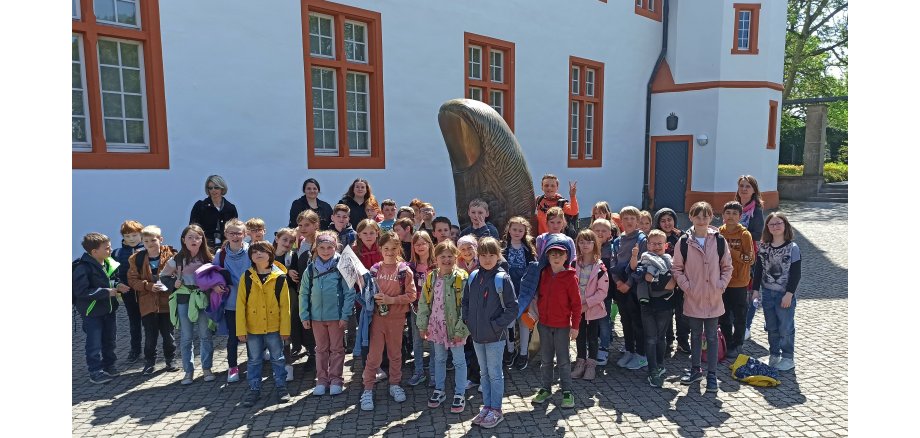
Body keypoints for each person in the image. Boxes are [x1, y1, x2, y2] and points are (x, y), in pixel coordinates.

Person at [672, 202, 733, 394]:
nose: (701, 220)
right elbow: (677, 268)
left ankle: (712, 375)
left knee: (712, 336)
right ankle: (695, 369)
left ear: (710, 218)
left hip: (714, 297)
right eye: (697, 216)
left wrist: (721, 285)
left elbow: (727, 266)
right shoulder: (684, 242)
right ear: (691, 217)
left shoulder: (719, 240)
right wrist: (688, 287)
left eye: (705, 216)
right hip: (694, 297)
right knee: (696, 335)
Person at [463, 237, 518, 428]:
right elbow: (466, 302)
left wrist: (496, 325)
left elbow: (512, 308)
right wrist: (468, 321)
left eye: (491, 255)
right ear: (478, 256)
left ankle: (496, 410)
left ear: (498, 256)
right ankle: (486, 406)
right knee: (484, 373)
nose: (487, 259)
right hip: (477, 335)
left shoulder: (502, 278)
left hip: (495, 336)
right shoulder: (473, 276)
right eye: (483, 255)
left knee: (494, 373)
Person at [360, 232, 417, 411]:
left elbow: (412, 295)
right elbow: (367, 293)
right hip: (378, 319)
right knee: (374, 355)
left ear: (399, 248)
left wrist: (391, 300)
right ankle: (367, 388)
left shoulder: (404, 270)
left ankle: (395, 384)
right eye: (386, 248)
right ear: (380, 249)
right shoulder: (375, 269)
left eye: (394, 248)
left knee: (395, 354)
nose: (390, 252)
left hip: (397, 319)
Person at [418, 240, 470, 414]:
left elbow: (466, 306)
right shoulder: (431, 277)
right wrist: (422, 325)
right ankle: (439, 389)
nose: (447, 260)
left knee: (459, 361)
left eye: (450, 256)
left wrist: (460, 329)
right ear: (436, 258)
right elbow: (424, 302)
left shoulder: (461, 277)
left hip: (455, 327)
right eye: (443, 257)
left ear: (456, 257)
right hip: (436, 326)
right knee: (439, 359)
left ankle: (460, 392)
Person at [238, 241, 292, 407]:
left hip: (274, 327)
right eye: (254, 252)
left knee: (278, 358)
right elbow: (241, 305)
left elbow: (285, 306)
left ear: (270, 254)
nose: (258, 254)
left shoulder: (280, 278)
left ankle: (281, 386)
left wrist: (285, 329)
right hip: (253, 328)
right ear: (250, 257)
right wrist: (241, 329)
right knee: (254, 360)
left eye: (262, 251)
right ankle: (254, 388)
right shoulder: (246, 277)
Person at [300, 231, 355, 396]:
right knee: (321, 349)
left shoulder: (343, 265)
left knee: (337, 349)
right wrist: (304, 315)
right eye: (322, 247)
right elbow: (304, 293)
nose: (325, 251)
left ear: (335, 247)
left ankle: (336, 379)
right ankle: (322, 380)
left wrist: (345, 315)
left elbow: (349, 292)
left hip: (336, 317)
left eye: (329, 247)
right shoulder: (310, 268)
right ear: (316, 248)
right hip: (316, 317)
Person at [160, 224, 215, 385]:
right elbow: (163, 276)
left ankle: (207, 368)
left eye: (197, 237)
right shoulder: (176, 259)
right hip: (184, 299)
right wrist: (173, 284)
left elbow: (216, 276)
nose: (194, 240)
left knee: (205, 335)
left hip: (202, 299)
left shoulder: (209, 258)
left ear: (202, 240)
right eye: (190, 237)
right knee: (186, 337)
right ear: (183, 240)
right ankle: (188, 371)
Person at [73, 232, 131, 384]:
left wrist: (118, 284)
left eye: (110, 247)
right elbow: (82, 292)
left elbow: (112, 279)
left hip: (109, 309)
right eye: (106, 248)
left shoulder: (108, 262)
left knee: (109, 340)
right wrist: (106, 292)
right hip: (92, 312)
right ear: (94, 252)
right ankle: (95, 371)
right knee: (94, 343)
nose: (110, 250)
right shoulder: (82, 268)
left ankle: (109, 365)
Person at [530, 240, 581, 409]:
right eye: (553, 254)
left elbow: (576, 304)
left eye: (560, 254)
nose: (556, 258)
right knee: (545, 360)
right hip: (544, 324)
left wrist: (575, 326)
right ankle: (546, 389)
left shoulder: (570, 277)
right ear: (548, 257)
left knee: (563, 360)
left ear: (566, 257)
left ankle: (567, 391)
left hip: (562, 326)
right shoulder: (543, 273)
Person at [127, 225, 179, 375]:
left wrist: (170, 283)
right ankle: (149, 362)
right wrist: (148, 286)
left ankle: (171, 360)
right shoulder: (136, 259)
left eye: (153, 240)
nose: (150, 244)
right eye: (146, 241)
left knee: (168, 335)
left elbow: (179, 274)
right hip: (148, 304)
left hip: (167, 302)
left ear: (160, 239)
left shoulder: (171, 255)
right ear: (142, 242)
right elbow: (132, 280)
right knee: (150, 336)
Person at [753, 212, 801, 371]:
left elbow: (796, 274)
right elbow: (758, 270)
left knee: (785, 328)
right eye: (771, 224)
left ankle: (788, 357)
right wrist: (755, 290)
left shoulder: (792, 248)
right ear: (767, 227)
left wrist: (789, 294)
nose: (775, 226)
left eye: (779, 223)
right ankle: (774, 354)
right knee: (771, 326)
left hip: (784, 294)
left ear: (785, 225)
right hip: (767, 293)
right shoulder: (763, 247)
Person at [630, 230, 677, 388]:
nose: (656, 247)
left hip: (665, 304)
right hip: (648, 305)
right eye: (653, 244)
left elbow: (671, 282)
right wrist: (634, 255)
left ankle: (660, 364)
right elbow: (635, 269)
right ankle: (652, 369)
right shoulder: (645, 258)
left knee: (661, 337)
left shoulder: (670, 261)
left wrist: (659, 281)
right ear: (648, 245)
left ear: (665, 245)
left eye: (659, 244)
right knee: (651, 338)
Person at [610, 206, 648, 370]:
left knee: (637, 321)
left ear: (638, 221)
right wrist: (618, 282)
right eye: (626, 218)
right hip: (620, 285)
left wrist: (629, 283)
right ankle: (629, 350)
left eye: (633, 218)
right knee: (625, 320)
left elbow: (642, 264)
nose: (629, 221)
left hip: (635, 286)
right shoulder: (617, 240)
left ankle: (641, 354)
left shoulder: (642, 240)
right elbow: (613, 262)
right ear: (621, 221)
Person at [213, 219, 250, 383]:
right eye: (232, 233)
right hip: (231, 303)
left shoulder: (252, 251)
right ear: (226, 234)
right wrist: (215, 286)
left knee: (252, 336)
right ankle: (233, 367)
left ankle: (252, 365)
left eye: (239, 233)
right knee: (233, 338)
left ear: (245, 234)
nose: (235, 236)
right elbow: (213, 275)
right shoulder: (220, 255)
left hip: (251, 302)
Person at [718, 201, 755, 358]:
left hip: (739, 282)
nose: (731, 216)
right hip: (722, 281)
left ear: (740, 217)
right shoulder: (718, 233)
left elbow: (750, 259)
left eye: (734, 214)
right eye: (728, 213)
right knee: (723, 314)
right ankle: (727, 341)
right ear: (723, 215)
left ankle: (738, 343)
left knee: (740, 314)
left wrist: (732, 252)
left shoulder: (745, 235)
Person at [571, 229, 608, 381]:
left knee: (592, 337)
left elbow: (602, 292)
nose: (585, 245)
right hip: (577, 308)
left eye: (588, 242)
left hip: (593, 309)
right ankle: (580, 362)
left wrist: (587, 305)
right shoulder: (574, 263)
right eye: (581, 242)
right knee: (579, 336)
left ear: (594, 244)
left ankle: (591, 364)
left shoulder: (600, 267)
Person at [501, 216, 537, 370]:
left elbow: (533, 269)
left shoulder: (528, 249)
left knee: (524, 321)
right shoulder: (503, 248)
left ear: (525, 232)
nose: (517, 232)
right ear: (509, 230)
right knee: (509, 322)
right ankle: (510, 350)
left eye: (520, 230)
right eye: (514, 229)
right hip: (508, 290)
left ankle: (523, 352)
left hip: (524, 290)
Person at [654, 207, 689, 353]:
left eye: (669, 220)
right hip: (665, 281)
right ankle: (668, 341)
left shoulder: (682, 236)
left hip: (681, 280)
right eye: (663, 221)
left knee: (682, 313)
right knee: (667, 313)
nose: (667, 223)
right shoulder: (656, 237)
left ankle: (683, 340)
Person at [289, 210, 320, 371]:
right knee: (306, 322)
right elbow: (295, 261)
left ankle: (320, 356)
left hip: (318, 290)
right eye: (300, 225)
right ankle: (311, 353)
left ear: (316, 225)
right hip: (303, 289)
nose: (303, 228)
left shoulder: (321, 241)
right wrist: (291, 270)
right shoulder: (300, 242)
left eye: (307, 225)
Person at [111, 220, 145, 363]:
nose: (131, 239)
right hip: (128, 293)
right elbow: (112, 274)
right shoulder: (116, 253)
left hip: (145, 292)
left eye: (134, 235)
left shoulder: (148, 249)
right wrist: (118, 284)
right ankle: (135, 350)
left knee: (150, 323)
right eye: (127, 236)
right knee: (134, 322)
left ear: (141, 234)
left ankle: (151, 351)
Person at [737, 175, 765, 341]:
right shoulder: (735, 207)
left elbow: (758, 234)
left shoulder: (756, 210)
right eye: (742, 185)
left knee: (749, 292)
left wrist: (738, 234)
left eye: (748, 186)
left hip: (750, 256)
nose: (744, 189)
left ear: (754, 190)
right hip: (733, 255)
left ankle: (747, 325)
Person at [407, 231, 435, 386]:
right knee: (417, 341)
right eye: (416, 244)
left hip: (434, 309)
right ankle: (419, 371)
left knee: (433, 342)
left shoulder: (436, 264)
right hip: (416, 308)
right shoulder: (410, 267)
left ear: (429, 244)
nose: (420, 247)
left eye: (423, 243)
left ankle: (434, 373)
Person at [590, 218, 619, 365]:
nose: (600, 233)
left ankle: (604, 347)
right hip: (589, 292)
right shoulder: (587, 246)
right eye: (597, 230)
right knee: (591, 321)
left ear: (610, 233)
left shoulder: (613, 249)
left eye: (604, 231)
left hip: (606, 293)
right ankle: (591, 345)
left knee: (604, 321)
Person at [273, 227, 298, 381]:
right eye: (284, 239)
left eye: (291, 241)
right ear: (277, 239)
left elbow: (294, 279)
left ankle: (288, 365)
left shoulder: (292, 256)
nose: (287, 243)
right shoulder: (268, 254)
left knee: (286, 329)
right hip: (270, 297)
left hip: (288, 295)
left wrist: (290, 273)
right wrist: (285, 271)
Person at [189, 175, 239, 248]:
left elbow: (235, 229)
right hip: (204, 246)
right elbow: (193, 228)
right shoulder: (200, 206)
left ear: (222, 188)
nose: (213, 190)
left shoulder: (230, 208)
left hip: (225, 247)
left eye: (216, 187)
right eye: (210, 188)